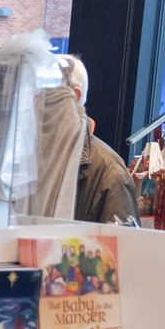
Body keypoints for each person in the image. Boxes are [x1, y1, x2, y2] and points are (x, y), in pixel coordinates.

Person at [58, 55, 141, 225]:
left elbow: (123, 248)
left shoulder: (111, 175)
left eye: (43, 95)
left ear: (73, 97)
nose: (31, 105)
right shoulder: (26, 160)